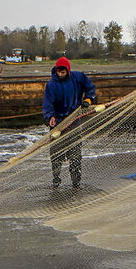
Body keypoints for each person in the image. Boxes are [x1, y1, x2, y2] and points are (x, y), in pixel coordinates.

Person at [41, 56, 97, 188]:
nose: (60, 74)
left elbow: (91, 88)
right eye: (58, 72)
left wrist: (88, 99)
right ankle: (56, 180)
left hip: (74, 119)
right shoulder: (51, 85)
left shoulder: (78, 78)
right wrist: (50, 117)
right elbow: (48, 105)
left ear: (68, 71)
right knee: (56, 153)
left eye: (63, 72)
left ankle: (76, 182)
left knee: (75, 152)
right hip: (58, 122)